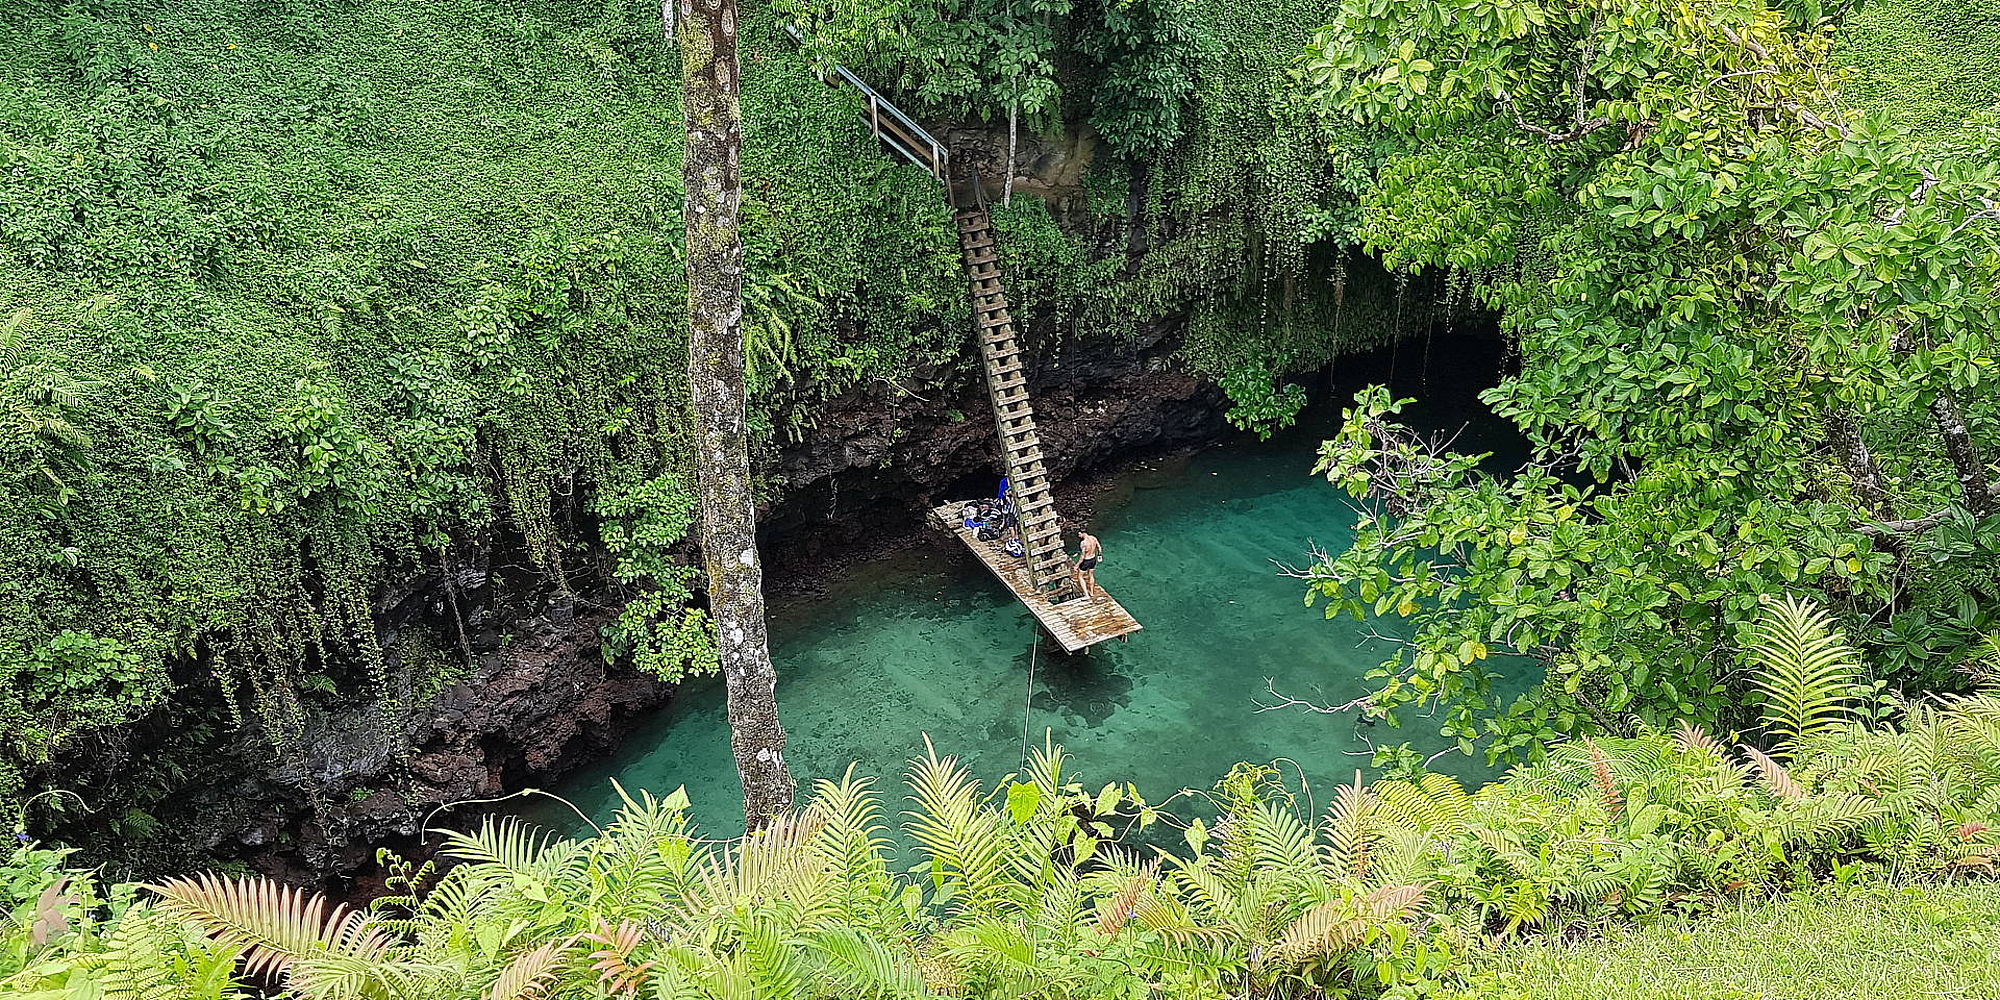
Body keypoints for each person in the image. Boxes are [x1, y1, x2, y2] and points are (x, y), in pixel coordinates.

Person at [1073, 526, 1104, 600]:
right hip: (1093, 559)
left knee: (1080, 576)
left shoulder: (1083, 543)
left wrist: (1077, 565)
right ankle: (1092, 593)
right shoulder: (1093, 538)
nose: (1078, 536)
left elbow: (1082, 556)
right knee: (1091, 575)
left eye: (1079, 534)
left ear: (1081, 533)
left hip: (1086, 561)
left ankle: (1087, 595)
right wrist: (1099, 555)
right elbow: (1099, 548)